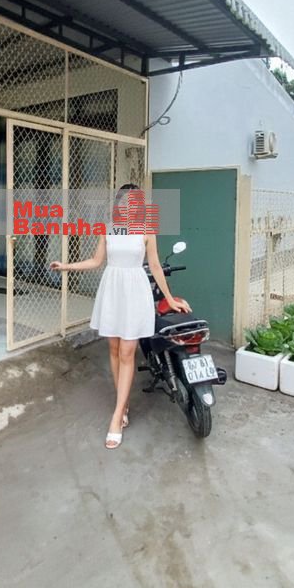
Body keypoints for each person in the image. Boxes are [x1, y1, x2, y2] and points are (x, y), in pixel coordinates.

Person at [50, 184, 189, 450]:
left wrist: (170, 298)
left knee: (127, 352)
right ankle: (122, 405)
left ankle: (116, 417)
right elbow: (96, 261)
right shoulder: (108, 229)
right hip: (112, 292)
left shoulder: (147, 230)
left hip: (135, 292)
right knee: (113, 350)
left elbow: (155, 265)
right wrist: (66, 266)